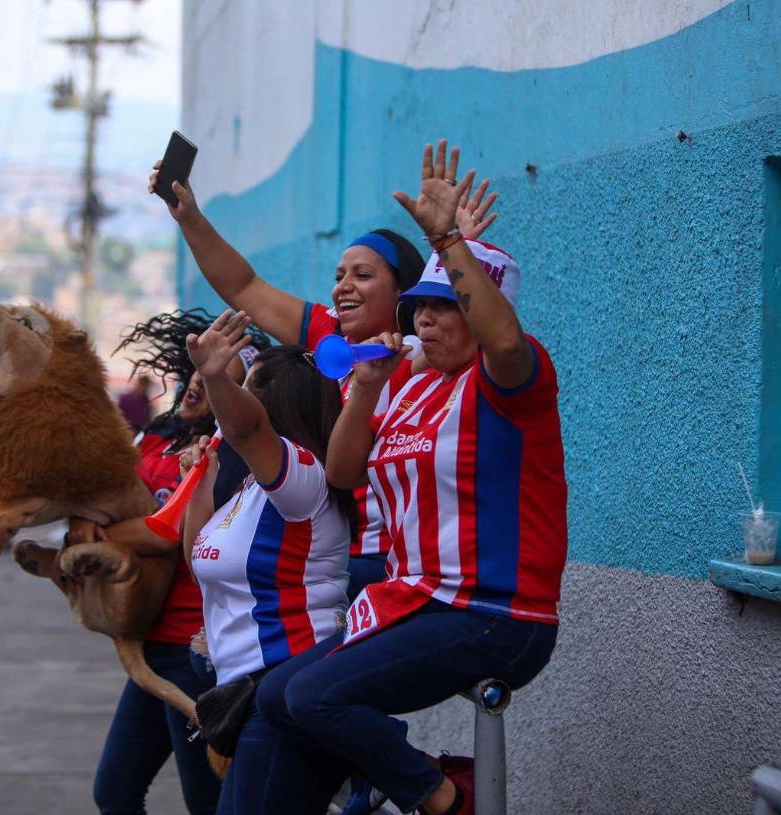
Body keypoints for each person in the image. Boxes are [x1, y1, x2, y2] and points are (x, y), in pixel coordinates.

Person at [256, 140, 568, 815]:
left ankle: (442, 798)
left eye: (445, 305)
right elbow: (343, 471)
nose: (425, 317)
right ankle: (395, 778)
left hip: (495, 614)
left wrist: (449, 239)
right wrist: (367, 389)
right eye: (419, 306)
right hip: (421, 599)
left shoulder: (507, 382)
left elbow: (505, 339)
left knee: (315, 696)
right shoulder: (413, 383)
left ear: (481, 314)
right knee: (276, 695)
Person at [149, 159, 499, 602]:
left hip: (383, 563)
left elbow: (481, 332)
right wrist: (189, 217)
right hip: (316, 552)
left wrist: (457, 248)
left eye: (363, 275)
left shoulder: (421, 355)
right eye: (338, 277)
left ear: (402, 293)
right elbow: (244, 286)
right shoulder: (328, 335)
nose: (342, 287)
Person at [73, 310, 269, 815]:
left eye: (220, 376)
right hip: (150, 643)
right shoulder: (152, 436)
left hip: (194, 653)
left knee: (205, 803)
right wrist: (84, 523)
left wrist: (104, 534)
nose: (198, 386)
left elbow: (166, 533)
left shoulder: (225, 452)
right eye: (199, 371)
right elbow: (105, 499)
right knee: (114, 792)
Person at [177, 310, 353, 815]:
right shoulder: (251, 488)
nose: (227, 409)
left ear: (273, 405)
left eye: (247, 391)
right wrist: (202, 484)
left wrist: (214, 374)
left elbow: (248, 428)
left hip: (283, 687)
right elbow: (200, 566)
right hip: (245, 694)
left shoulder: (304, 476)